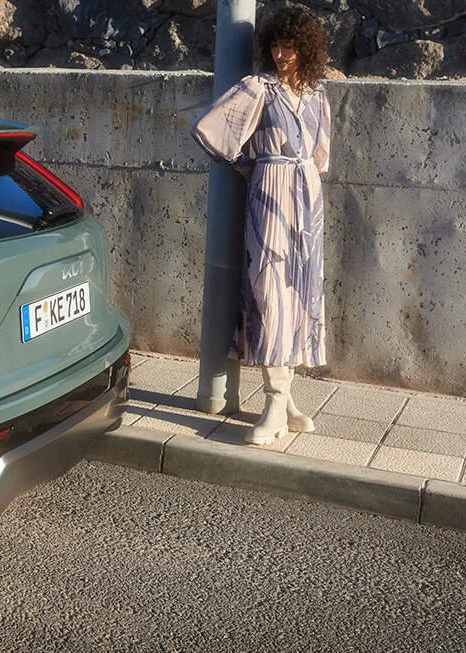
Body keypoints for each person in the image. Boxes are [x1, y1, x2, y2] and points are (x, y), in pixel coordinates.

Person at [191, 6, 332, 446]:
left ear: (304, 48)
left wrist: (299, 176)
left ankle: (285, 400)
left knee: (299, 295)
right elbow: (211, 130)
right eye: (275, 45)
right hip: (270, 198)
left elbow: (321, 158)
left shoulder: (317, 95)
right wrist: (251, 167)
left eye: (289, 46)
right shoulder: (258, 89)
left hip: (307, 202)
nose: (280, 53)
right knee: (270, 295)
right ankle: (274, 401)